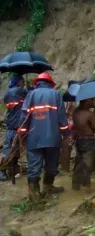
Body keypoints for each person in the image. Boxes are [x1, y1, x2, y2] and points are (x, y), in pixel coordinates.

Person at [19, 72, 70, 201]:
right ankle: (48, 187)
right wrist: (66, 134)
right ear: (50, 83)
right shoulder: (56, 94)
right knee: (51, 164)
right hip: (53, 137)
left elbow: (24, 117)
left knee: (34, 165)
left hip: (34, 137)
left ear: (37, 83)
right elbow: (62, 117)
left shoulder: (30, 95)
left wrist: (22, 135)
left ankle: (34, 194)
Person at [0, 74, 28, 181]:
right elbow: (30, 95)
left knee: (16, 148)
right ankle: (2, 169)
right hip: (15, 125)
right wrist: (29, 89)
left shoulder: (10, 92)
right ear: (19, 82)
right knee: (9, 149)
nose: (24, 84)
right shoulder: (17, 91)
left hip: (14, 123)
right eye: (23, 82)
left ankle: (14, 167)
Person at [72, 97, 95, 192]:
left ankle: (75, 185)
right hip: (88, 141)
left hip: (79, 140)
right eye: (92, 100)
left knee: (79, 161)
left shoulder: (75, 112)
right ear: (87, 101)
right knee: (87, 163)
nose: (94, 102)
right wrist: (94, 117)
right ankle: (86, 187)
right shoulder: (89, 114)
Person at [60, 80, 79, 172]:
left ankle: (65, 169)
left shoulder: (68, 97)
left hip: (70, 125)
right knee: (70, 147)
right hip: (76, 125)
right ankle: (67, 168)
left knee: (67, 147)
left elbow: (64, 112)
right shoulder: (77, 97)